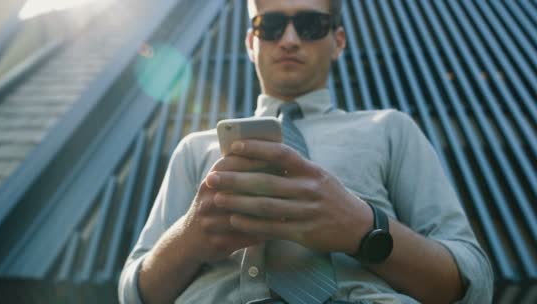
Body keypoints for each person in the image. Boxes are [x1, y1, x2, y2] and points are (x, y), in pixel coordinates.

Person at [119, 0, 493, 303]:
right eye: (271, 26)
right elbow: (133, 293)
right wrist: (189, 237)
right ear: (252, 43)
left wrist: (365, 229)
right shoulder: (195, 148)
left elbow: (471, 284)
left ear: (339, 41)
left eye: (311, 25)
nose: (290, 40)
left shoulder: (391, 128)